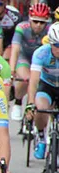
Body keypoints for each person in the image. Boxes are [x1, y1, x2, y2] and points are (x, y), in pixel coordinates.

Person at [9, 2, 51, 120]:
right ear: (29, 19)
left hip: (41, 59)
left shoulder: (50, 29)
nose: (38, 25)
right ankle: (18, 102)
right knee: (27, 78)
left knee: (40, 82)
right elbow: (15, 49)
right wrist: (12, 70)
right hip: (25, 57)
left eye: (42, 22)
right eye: (35, 21)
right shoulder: (22, 28)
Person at [27, 23, 59, 160]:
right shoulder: (41, 53)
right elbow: (34, 81)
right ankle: (40, 137)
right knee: (40, 108)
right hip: (47, 85)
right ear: (50, 43)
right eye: (57, 45)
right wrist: (30, 104)